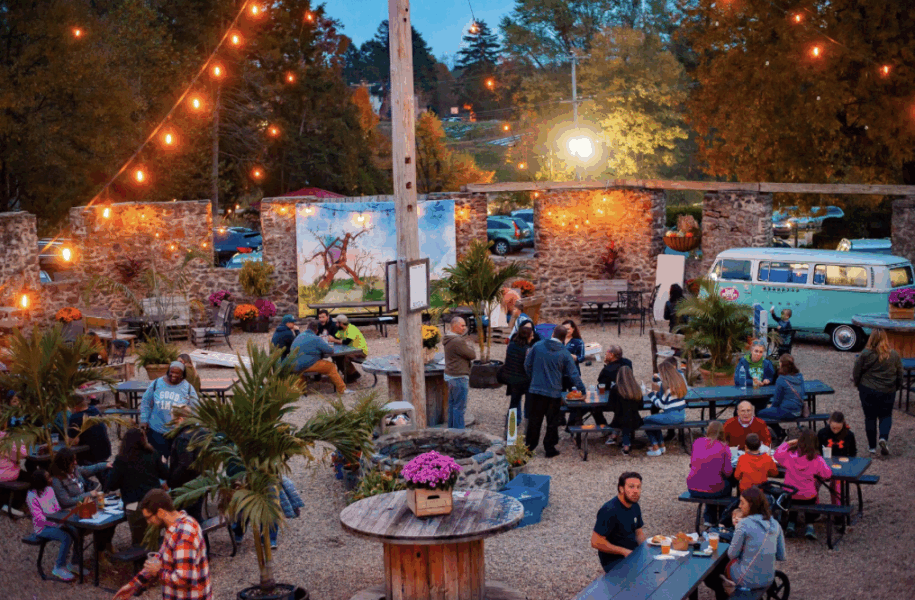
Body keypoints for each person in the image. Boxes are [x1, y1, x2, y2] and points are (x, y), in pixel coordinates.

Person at [114, 488, 212, 600]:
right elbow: (160, 557)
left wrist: (158, 571)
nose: (148, 522)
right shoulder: (177, 525)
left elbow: (185, 580)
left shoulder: (183, 535)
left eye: (148, 518)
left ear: (160, 512)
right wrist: (133, 585)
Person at [704, 486, 786, 600]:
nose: (739, 506)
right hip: (768, 578)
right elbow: (781, 556)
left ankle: (726, 594)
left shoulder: (744, 524)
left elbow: (732, 554)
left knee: (711, 575)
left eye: (742, 503)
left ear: (751, 504)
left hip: (746, 578)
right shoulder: (775, 524)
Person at [524, 324, 585, 458]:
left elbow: (527, 364)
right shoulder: (564, 353)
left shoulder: (537, 346)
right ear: (564, 338)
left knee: (534, 420)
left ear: (552, 334)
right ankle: (549, 448)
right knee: (552, 422)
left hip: (536, 390)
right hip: (554, 392)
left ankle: (529, 448)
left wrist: (533, 378)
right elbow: (574, 374)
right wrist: (582, 389)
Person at [106, 427, 169, 546]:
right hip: (154, 500)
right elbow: (165, 473)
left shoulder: (121, 460)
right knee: (155, 533)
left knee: (138, 538)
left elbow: (111, 485)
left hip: (133, 503)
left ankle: (140, 561)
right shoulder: (153, 454)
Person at [774, 430, 832, 540]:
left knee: (793, 495)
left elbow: (777, 454)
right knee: (810, 495)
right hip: (808, 496)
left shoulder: (789, 456)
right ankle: (809, 525)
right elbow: (827, 474)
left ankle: (791, 523)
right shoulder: (817, 459)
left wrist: (788, 443)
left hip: (790, 494)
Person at [853, 329, 903, 455]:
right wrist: (896, 387)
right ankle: (883, 437)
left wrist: (858, 384)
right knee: (886, 416)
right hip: (888, 390)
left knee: (870, 417)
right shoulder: (894, 355)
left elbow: (856, 372)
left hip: (867, 389)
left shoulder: (865, 354)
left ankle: (872, 447)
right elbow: (900, 374)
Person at [27, 469, 81, 582]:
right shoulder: (31, 496)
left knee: (77, 531)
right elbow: (39, 517)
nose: (51, 479)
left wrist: (64, 516)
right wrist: (55, 523)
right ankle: (59, 566)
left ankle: (74, 563)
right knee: (66, 537)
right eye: (48, 478)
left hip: (57, 522)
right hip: (43, 528)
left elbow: (56, 508)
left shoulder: (50, 490)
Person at [140, 361, 200, 459]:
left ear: (182, 375)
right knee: (157, 461)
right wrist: (144, 419)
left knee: (177, 462)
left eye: (177, 373)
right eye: (172, 372)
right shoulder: (157, 383)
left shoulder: (188, 388)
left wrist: (196, 429)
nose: (173, 375)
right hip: (157, 430)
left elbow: (195, 408)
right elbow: (146, 401)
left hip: (178, 433)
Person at [591, 472, 645, 572]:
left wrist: (646, 549)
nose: (636, 491)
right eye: (631, 487)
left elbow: (639, 532)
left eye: (638, 487)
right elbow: (595, 542)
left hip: (633, 554)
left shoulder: (635, 505)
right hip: (615, 561)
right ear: (621, 489)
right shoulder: (609, 510)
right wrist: (624, 551)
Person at [686, 421, 733, 525]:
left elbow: (692, 463)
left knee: (711, 480)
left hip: (693, 488)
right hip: (714, 489)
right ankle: (723, 518)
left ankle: (709, 518)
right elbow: (728, 472)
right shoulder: (724, 447)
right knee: (727, 484)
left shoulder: (697, 442)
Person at [642, 361, 688, 456]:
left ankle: (656, 447)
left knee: (646, 420)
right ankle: (661, 446)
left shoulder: (665, 385)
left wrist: (651, 395)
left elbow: (661, 405)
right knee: (654, 419)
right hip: (681, 415)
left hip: (671, 416)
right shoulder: (679, 382)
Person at [290, 320, 348, 394]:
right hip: (307, 364)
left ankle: (296, 390)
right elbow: (330, 350)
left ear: (307, 328)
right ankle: (342, 389)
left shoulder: (299, 336)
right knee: (331, 366)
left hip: (294, 364)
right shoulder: (316, 338)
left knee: (302, 366)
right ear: (317, 331)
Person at [757, 354, 805, 441]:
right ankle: (780, 432)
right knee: (769, 412)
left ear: (782, 364)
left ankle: (779, 432)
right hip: (799, 411)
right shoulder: (799, 376)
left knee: (759, 413)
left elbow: (777, 400)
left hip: (787, 412)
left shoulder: (781, 379)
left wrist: (771, 409)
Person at [498, 321, 536, 425]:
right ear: (527, 336)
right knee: (529, 404)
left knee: (513, 404)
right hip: (524, 381)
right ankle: (528, 429)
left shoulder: (512, 345)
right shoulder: (528, 350)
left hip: (512, 379)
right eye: (531, 336)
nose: (532, 337)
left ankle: (511, 431)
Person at [817, 411, 857, 507]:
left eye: (838, 428)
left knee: (837, 485)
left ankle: (838, 510)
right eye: (833, 428)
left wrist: (848, 461)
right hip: (824, 464)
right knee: (813, 482)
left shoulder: (849, 435)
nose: (835, 430)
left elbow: (853, 452)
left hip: (841, 466)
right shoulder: (822, 433)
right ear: (829, 423)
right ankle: (813, 509)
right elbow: (816, 450)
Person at [443, 317, 476, 429]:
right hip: (459, 376)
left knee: (452, 406)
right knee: (459, 408)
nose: (464, 328)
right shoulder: (458, 341)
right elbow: (472, 355)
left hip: (450, 375)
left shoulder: (448, 338)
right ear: (455, 326)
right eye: (462, 325)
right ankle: (459, 435)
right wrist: (470, 344)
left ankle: (451, 431)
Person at [606, 367, 644, 455]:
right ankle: (620, 441)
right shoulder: (637, 388)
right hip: (635, 419)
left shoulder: (615, 388)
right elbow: (641, 406)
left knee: (622, 419)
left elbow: (610, 406)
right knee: (627, 418)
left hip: (619, 419)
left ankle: (617, 438)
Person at [67, 394, 112, 466]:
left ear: (74, 407)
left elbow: (74, 442)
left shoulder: (75, 418)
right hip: (105, 450)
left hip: (90, 455)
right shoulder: (95, 410)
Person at [734, 341, 776, 411]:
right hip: (745, 395)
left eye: (760, 352)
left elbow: (771, 377)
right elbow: (738, 380)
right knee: (738, 411)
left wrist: (768, 380)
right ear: (751, 351)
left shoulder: (767, 363)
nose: (758, 354)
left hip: (761, 396)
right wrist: (753, 382)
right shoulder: (743, 362)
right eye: (756, 351)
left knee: (759, 412)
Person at [330, 314, 368, 382]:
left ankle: (351, 375)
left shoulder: (351, 329)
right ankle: (352, 374)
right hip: (350, 350)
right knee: (337, 356)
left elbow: (346, 342)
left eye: (336, 323)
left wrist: (333, 340)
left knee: (344, 356)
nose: (335, 324)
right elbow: (336, 338)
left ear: (341, 323)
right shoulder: (340, 330)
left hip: (360, 351)